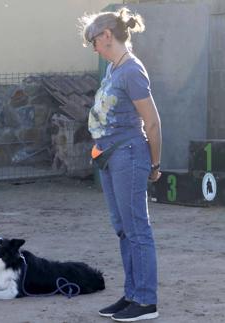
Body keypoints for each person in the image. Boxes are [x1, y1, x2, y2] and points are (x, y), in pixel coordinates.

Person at [80, 8, 162, 322]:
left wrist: (155, 163)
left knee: (137, 229)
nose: (94, 48)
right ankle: (132, 294)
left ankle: (145, 302)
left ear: (106, 36)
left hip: (130, 154)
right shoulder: (113, 68)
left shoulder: (132, 70)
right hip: (112, 156)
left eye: (94, 42)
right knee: (124, 230)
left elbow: (152, 123)